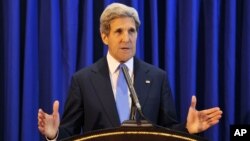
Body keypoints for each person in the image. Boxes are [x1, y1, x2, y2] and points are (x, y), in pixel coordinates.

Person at [38, 2, 223, 140]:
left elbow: (168, 131)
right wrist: (54, 135)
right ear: (104, 36)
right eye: (118, 31)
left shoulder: (158, 78)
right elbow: (69, 134)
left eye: (131, 31)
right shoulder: (83, 80)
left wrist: (187, 129)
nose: (126, 38)